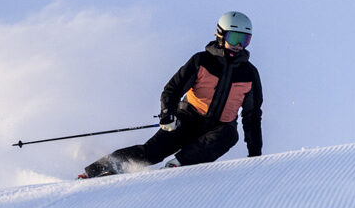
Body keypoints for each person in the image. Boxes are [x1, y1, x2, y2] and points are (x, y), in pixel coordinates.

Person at [79, 11, 265, 178]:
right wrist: (167, 113)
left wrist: (255, 154)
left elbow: (252, 115)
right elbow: (173, 89)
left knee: (230, 134)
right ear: (221, 35)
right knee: (151, 153)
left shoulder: (249, 74)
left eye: (244, 40)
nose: (238, 45)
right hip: (187, 120)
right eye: (234, 38)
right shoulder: (201, 61)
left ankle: (177, 165)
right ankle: (96, 170)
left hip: (218, 130)